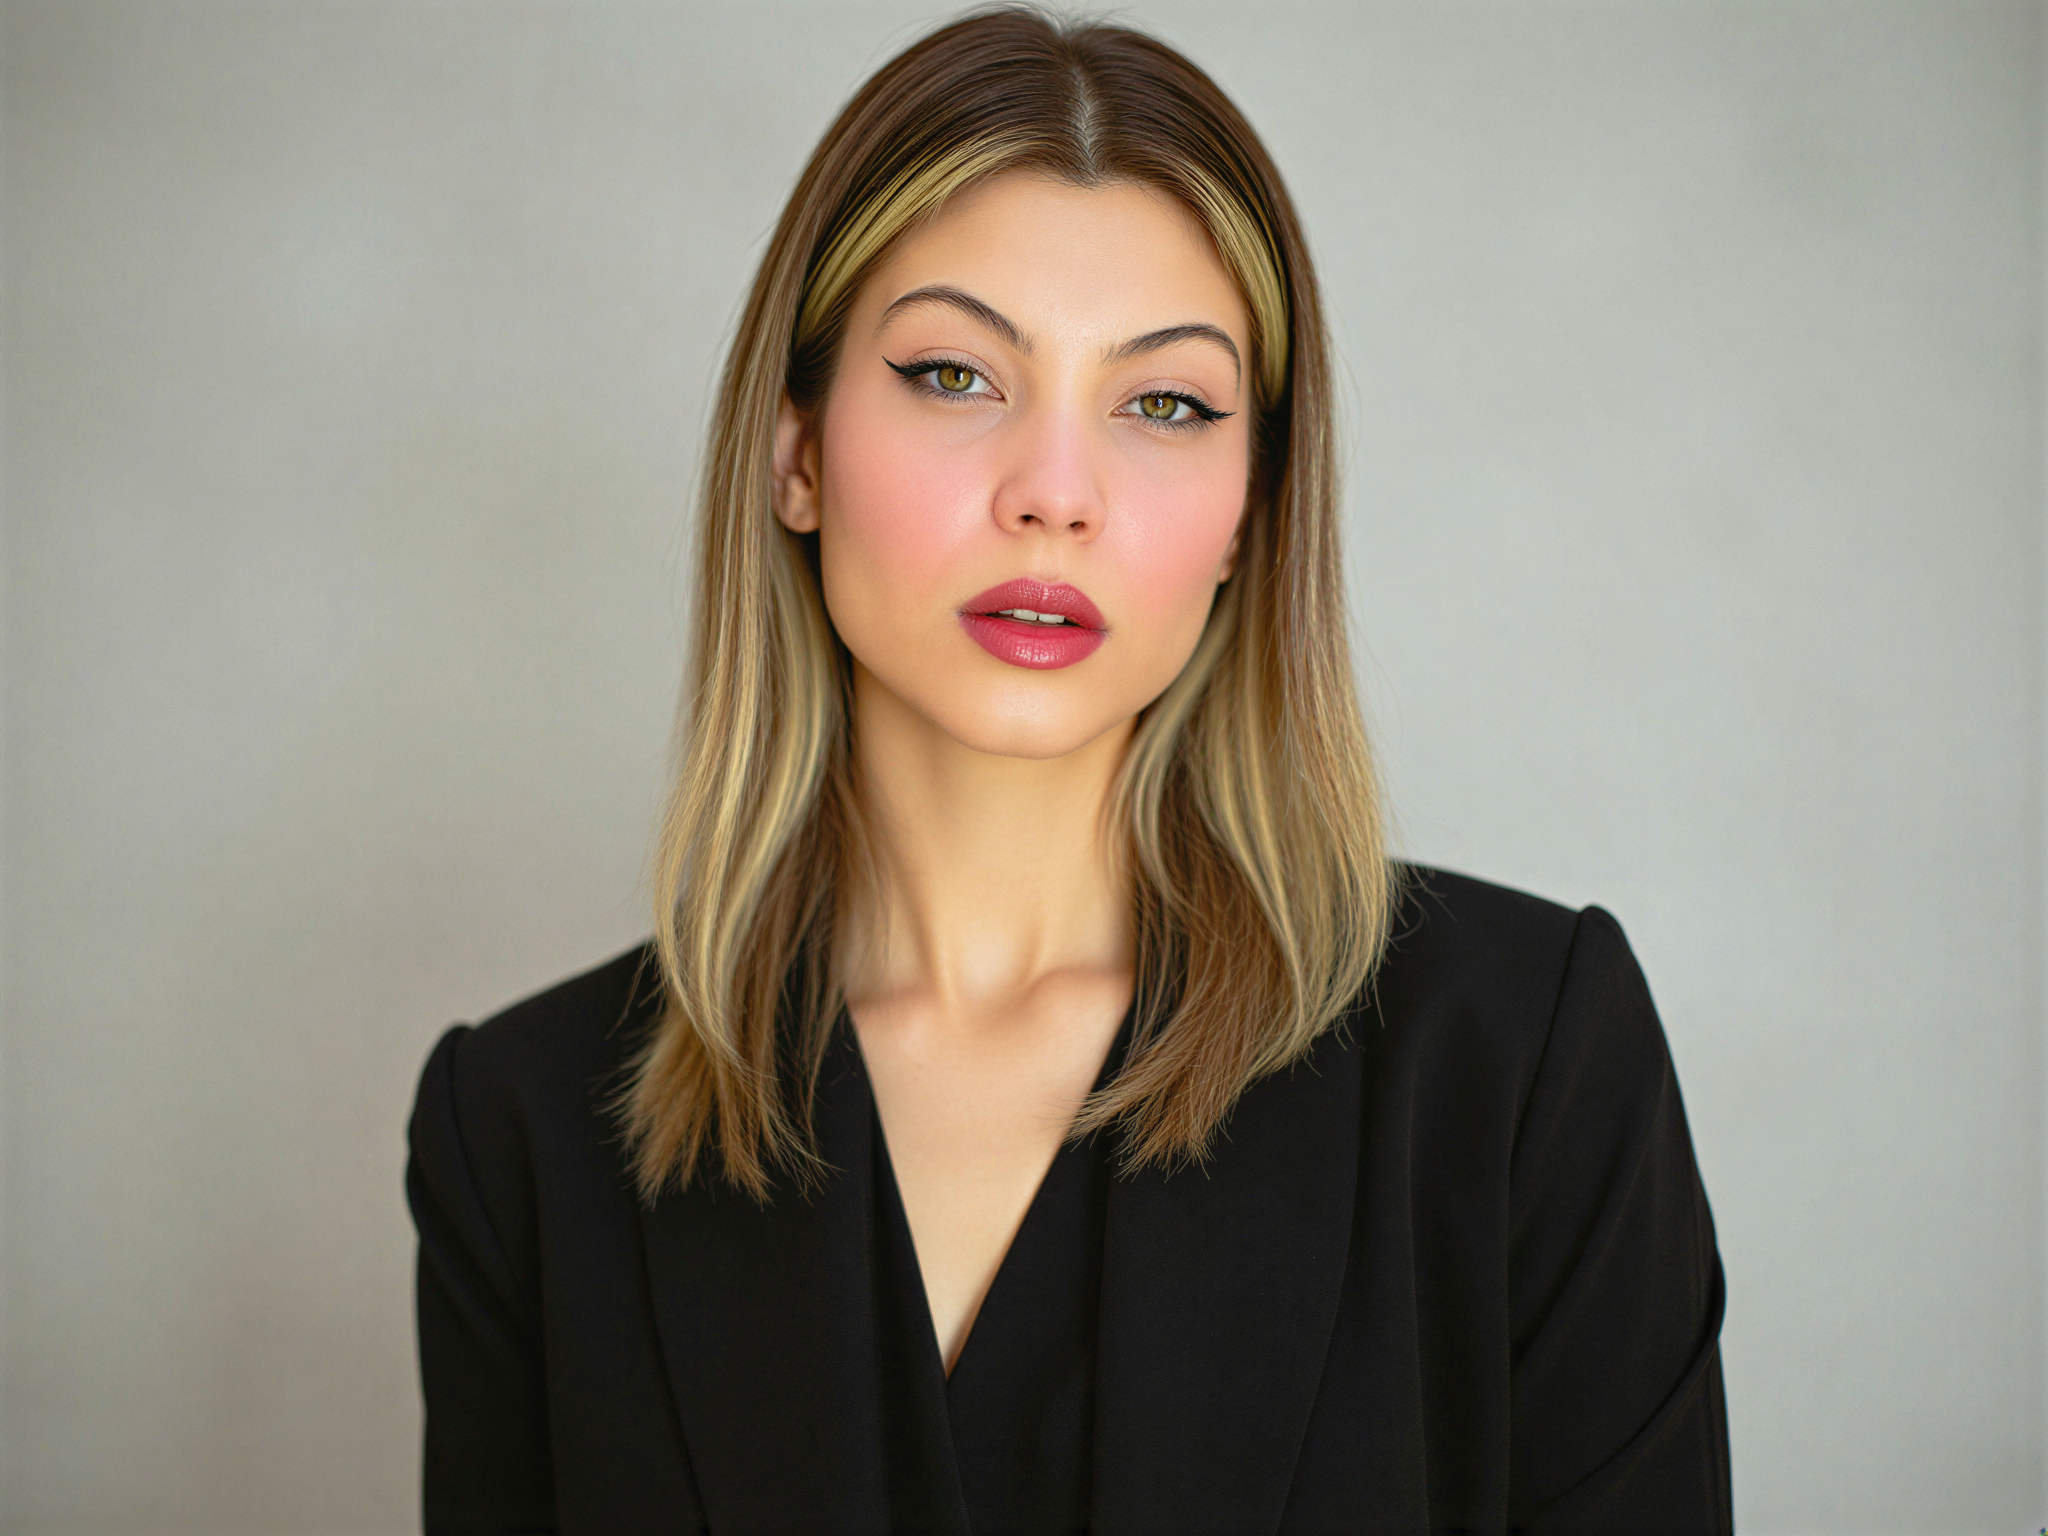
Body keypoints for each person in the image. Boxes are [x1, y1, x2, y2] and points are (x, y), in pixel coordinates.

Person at [404, 7, 1732, 1532]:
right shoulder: (521, 1132)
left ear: (1252, 513)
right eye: (958, 376)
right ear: (797, 454)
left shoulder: (1522, 1066)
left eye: (1165, 403)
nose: (1054, 495)